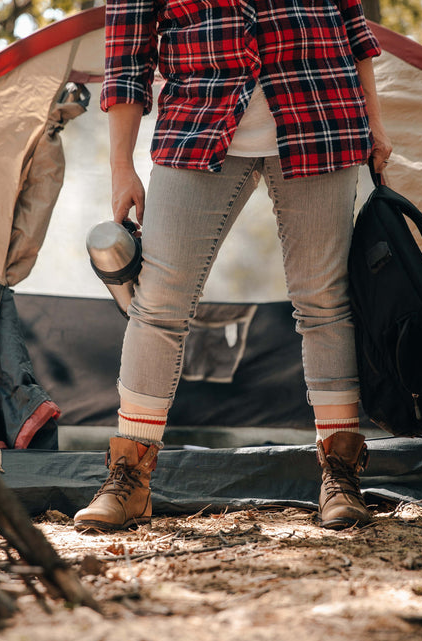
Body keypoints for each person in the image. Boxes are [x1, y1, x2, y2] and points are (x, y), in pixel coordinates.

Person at [73, 0, 392, 532]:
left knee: (324, 301)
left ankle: (340, 474)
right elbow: (127, 56)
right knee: (158, 304)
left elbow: (353, 27)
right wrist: (121, 167)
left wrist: (376, 123)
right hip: (195, 123)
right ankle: (128, 477)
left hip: (322, 116)